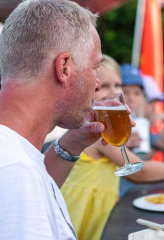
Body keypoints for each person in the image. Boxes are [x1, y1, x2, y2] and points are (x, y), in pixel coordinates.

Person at [60, 54, 164, 240]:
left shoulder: (107, 127)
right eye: (105, 86)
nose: (113, 91)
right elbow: (138, 172)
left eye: (117, 85)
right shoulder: (95, 128)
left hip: (102, 208)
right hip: (81, 210)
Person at [0, 0, 106, 239]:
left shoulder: (14, 156)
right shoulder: (16, 173)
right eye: (95, 67)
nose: (98, 84)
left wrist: (72, 143)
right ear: (64, 68)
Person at [120, 64, 164, 159]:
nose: (131, 98)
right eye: (125, 92)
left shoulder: (141, 125)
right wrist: (122, 145)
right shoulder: (113, 125)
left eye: (137, 93)